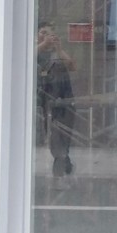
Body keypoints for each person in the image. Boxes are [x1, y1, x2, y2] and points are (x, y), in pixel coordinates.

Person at [37, 22, 76, 180]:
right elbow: (26, 59)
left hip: (63, 100)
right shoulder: (35, 52)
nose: (47, 36)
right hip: (44, 101)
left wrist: (59, 48)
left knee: (63, 132)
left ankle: (62, 161)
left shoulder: (58, 53)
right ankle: (62, 162)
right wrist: (43, 45)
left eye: (50, 34)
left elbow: (72, 66)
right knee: (51, 133)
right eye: (43, 33)